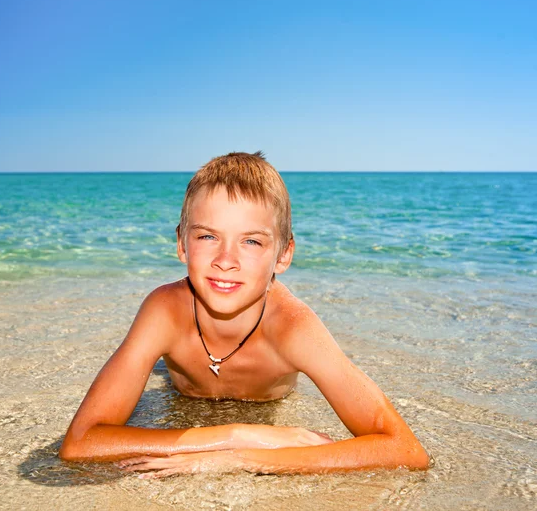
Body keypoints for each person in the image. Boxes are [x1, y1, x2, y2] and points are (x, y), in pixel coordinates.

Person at [59, 151, 430, 478]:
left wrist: (246, 459)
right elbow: (80, 444)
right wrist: (237, 434)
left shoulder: (292, 329)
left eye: (251, 241)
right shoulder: (165, 311)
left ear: (283, 255)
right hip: (189, 397)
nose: (225, 261)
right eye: (207, 236)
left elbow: (405, 449)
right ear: (181, 244)